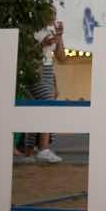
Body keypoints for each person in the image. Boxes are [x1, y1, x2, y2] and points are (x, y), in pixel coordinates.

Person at [24, 15, 67, 163]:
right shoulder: (31, 30)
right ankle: (43, 148)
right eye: (49, 12)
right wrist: (42, 44)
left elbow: (62, 58)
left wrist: (60, 37)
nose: (52, 16)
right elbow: (25, 54)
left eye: (54, 13)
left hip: (48, 71)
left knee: (37, 110)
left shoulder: (51, 30)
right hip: (33, 72)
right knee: (47, 104)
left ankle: (28, 153)